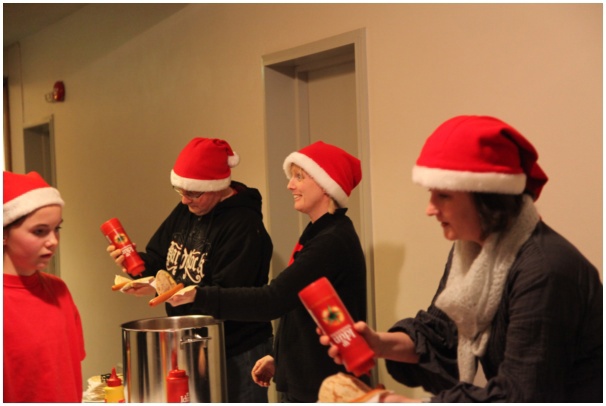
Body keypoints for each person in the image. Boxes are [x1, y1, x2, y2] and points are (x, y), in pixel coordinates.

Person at [320, 115, 603, 402]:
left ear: (487, 198)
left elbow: (522, 395)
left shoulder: (544, 270)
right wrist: (378, 344)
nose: (430, 209)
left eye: (443, 195)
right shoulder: (471, 250)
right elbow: (441, 333)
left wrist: (391, 401)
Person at [167, 141, 369, 402]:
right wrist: (279, 358)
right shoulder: (320, 232)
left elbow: (273, 299)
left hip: (327, 388)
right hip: (312, 380)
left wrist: (199, 295)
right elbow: (300, 308)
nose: (290, 185)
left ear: (326, 185)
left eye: (299, 177)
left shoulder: (331, 241)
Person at [106, 138, 273, 403]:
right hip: (190, 345)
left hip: (235, 350)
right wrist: (135, 265)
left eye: (193, 193)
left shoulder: (244, 225)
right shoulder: (188, 208)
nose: (185, 200)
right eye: (180, 191)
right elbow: (159, 261)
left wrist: (168, 291)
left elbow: (226, 296)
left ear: (216, 186)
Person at [3, 171, 86, 402]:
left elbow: (66, 373)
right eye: (39, 231)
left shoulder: (59, 291)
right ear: (4, 234)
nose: (53, 241)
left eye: (57, 228)